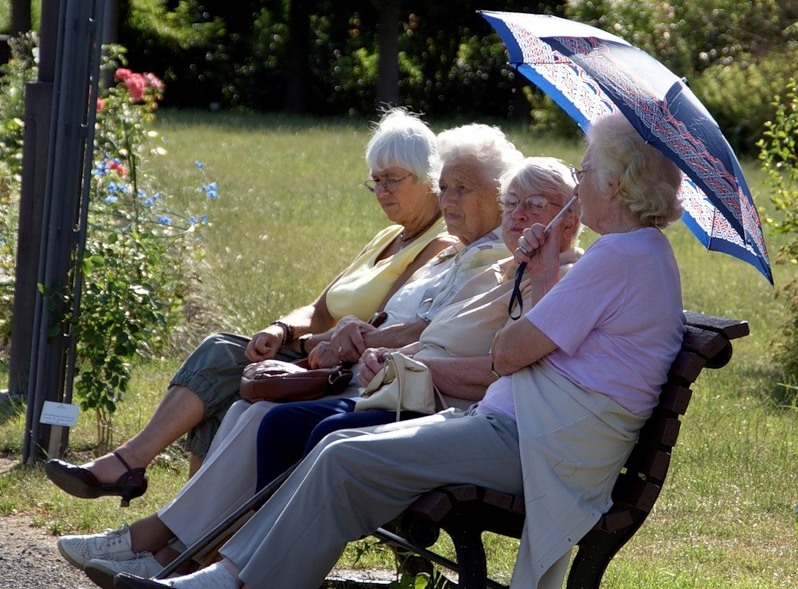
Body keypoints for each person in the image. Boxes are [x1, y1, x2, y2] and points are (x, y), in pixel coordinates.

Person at [111, 112, 687, 589]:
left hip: (533, 445)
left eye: (586, 170)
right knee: (340, 448)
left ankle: (235, 579)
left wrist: (537, 269)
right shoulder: (637, 254)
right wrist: (539, 272)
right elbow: (532, 345)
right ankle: (233, 573)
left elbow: (510, 352)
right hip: (527, 432)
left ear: (616, 183)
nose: (580, 181)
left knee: (344, 456)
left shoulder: (621, 256)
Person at [58, 156, 582, 583]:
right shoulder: (503, 267)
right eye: (513, 203)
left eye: (534, 206)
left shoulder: (537, 273)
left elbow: (495, 361)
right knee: (253, 405)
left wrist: (378, 348)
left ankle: (211, 561)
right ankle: (190, 552)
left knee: (296, 424)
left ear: (571, 218)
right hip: (397, 382)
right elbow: (419, 327)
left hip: (439, 405)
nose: (517, 215)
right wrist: (339, 339)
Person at [44, 107, 453, 503]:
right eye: (375, 181)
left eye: (392, 180)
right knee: (227, 363)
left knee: (224, 358)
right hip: (313, 350)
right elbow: (318, 309)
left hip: (342, 367)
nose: (381, 191)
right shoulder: (386, 237)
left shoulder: (437, 244)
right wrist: (280, 330)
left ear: (428, 178)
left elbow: (376, 323)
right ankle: (181, 516)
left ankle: (138, 473)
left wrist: (307, 346)